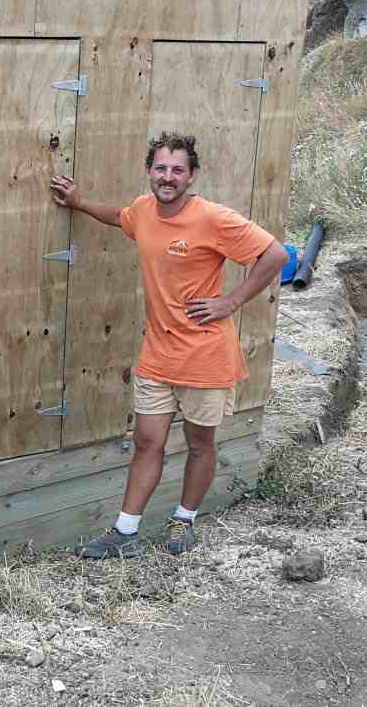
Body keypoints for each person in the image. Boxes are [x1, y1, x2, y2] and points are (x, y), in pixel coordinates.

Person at [50, 132, 287, 558]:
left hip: (204, 357)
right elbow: (119, 216)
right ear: (149, 172)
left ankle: (183, 520)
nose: (168, 177)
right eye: (161, 168)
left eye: (178, 170)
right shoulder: (143, 211)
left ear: (192, 176)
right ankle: (125, 533)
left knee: (199, 444)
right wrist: (80, 202)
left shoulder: (213, 218)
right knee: (147, 441)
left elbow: (275, 254)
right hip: (158, 355)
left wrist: (231, 301)